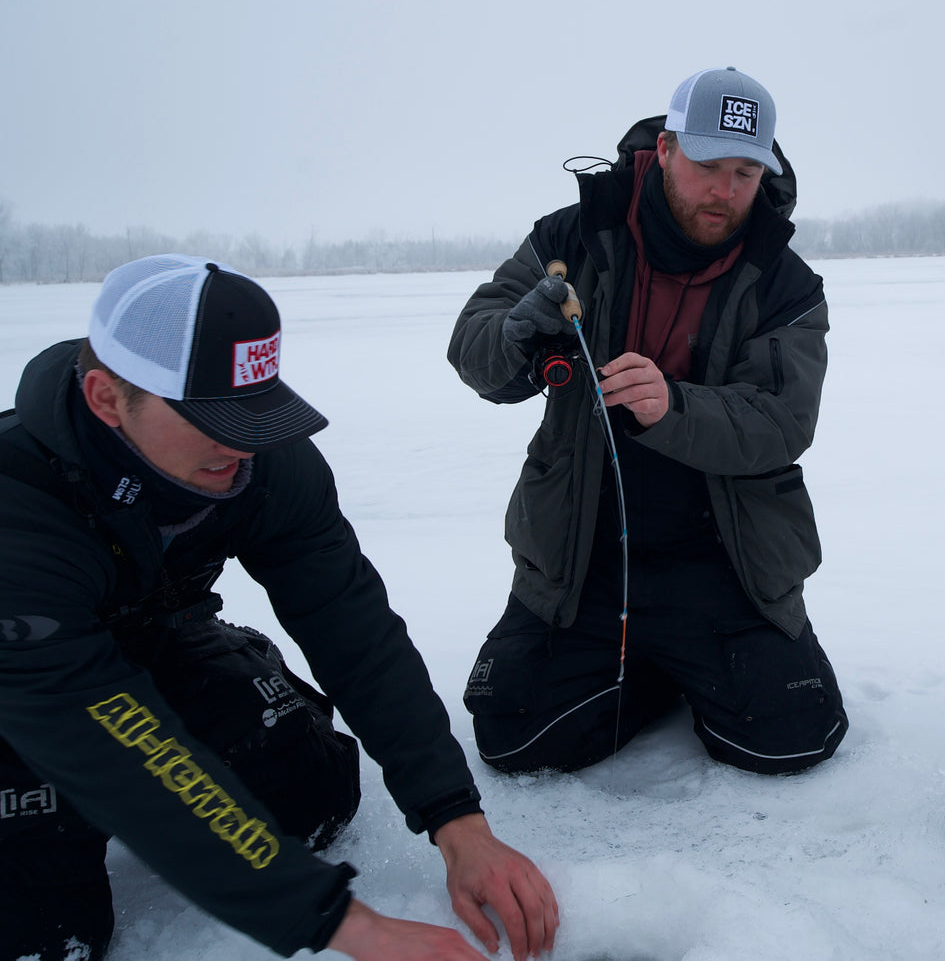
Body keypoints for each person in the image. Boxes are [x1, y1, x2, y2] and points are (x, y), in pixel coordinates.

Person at [0, 255, 558, 961]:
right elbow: (117, 749)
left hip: (151, 641)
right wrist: (348, 928)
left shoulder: (259, 460)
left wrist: (458, 820)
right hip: (32, 701)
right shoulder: (20, 518)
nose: (242, 445)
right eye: (210, 419)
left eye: (255, 412)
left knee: (312, 793)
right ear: (108, 398)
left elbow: (351, 625)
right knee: (48, 940)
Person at [448, 66, 846, 776]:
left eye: (745, 171)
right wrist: (514, 334)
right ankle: (657, 670)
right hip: (583, 559)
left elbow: (782, 422)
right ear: (663, 150)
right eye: (706, 165)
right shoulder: (572, 236)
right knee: (513, 738)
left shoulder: (784, 281)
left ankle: (675, 661)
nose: (724, 190)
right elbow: (472, 346)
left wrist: (676, 406)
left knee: (790, 739)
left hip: (724, 561)